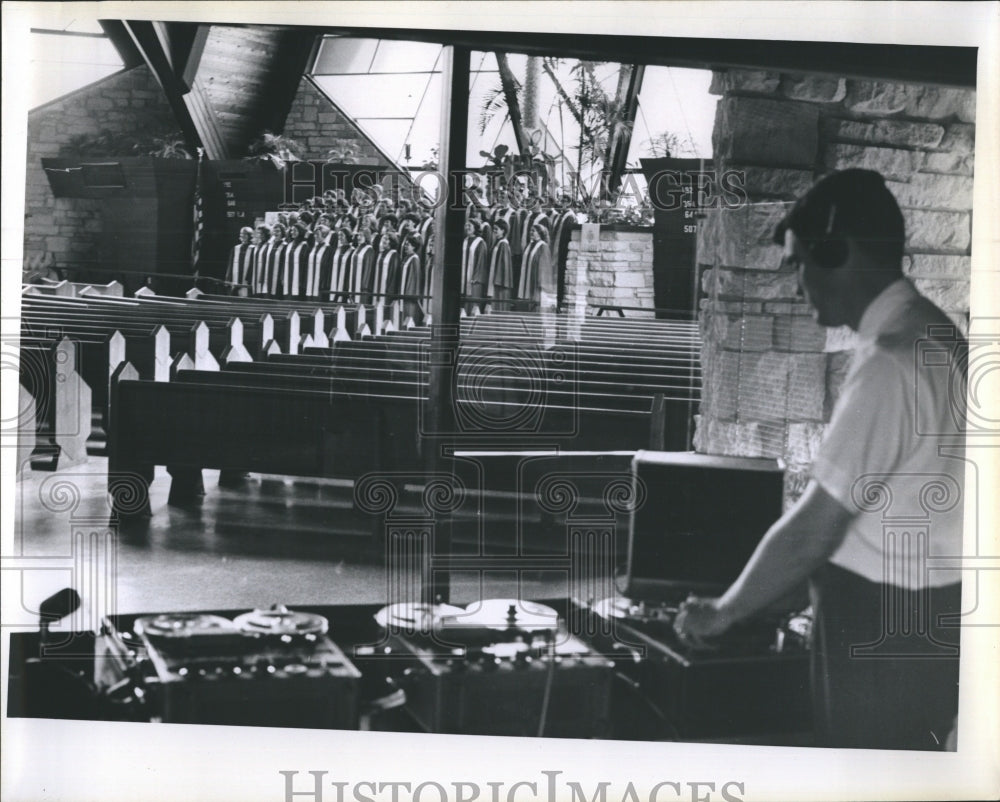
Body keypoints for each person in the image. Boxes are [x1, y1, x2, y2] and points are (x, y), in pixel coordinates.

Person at [673, 169, 966, 751]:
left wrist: (724, 612)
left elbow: (815, 528)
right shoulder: (937, 332)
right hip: (930, 618)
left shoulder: (890, 363)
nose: (797, 284)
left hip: (877, 630)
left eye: (800, 263)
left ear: (841, 253)